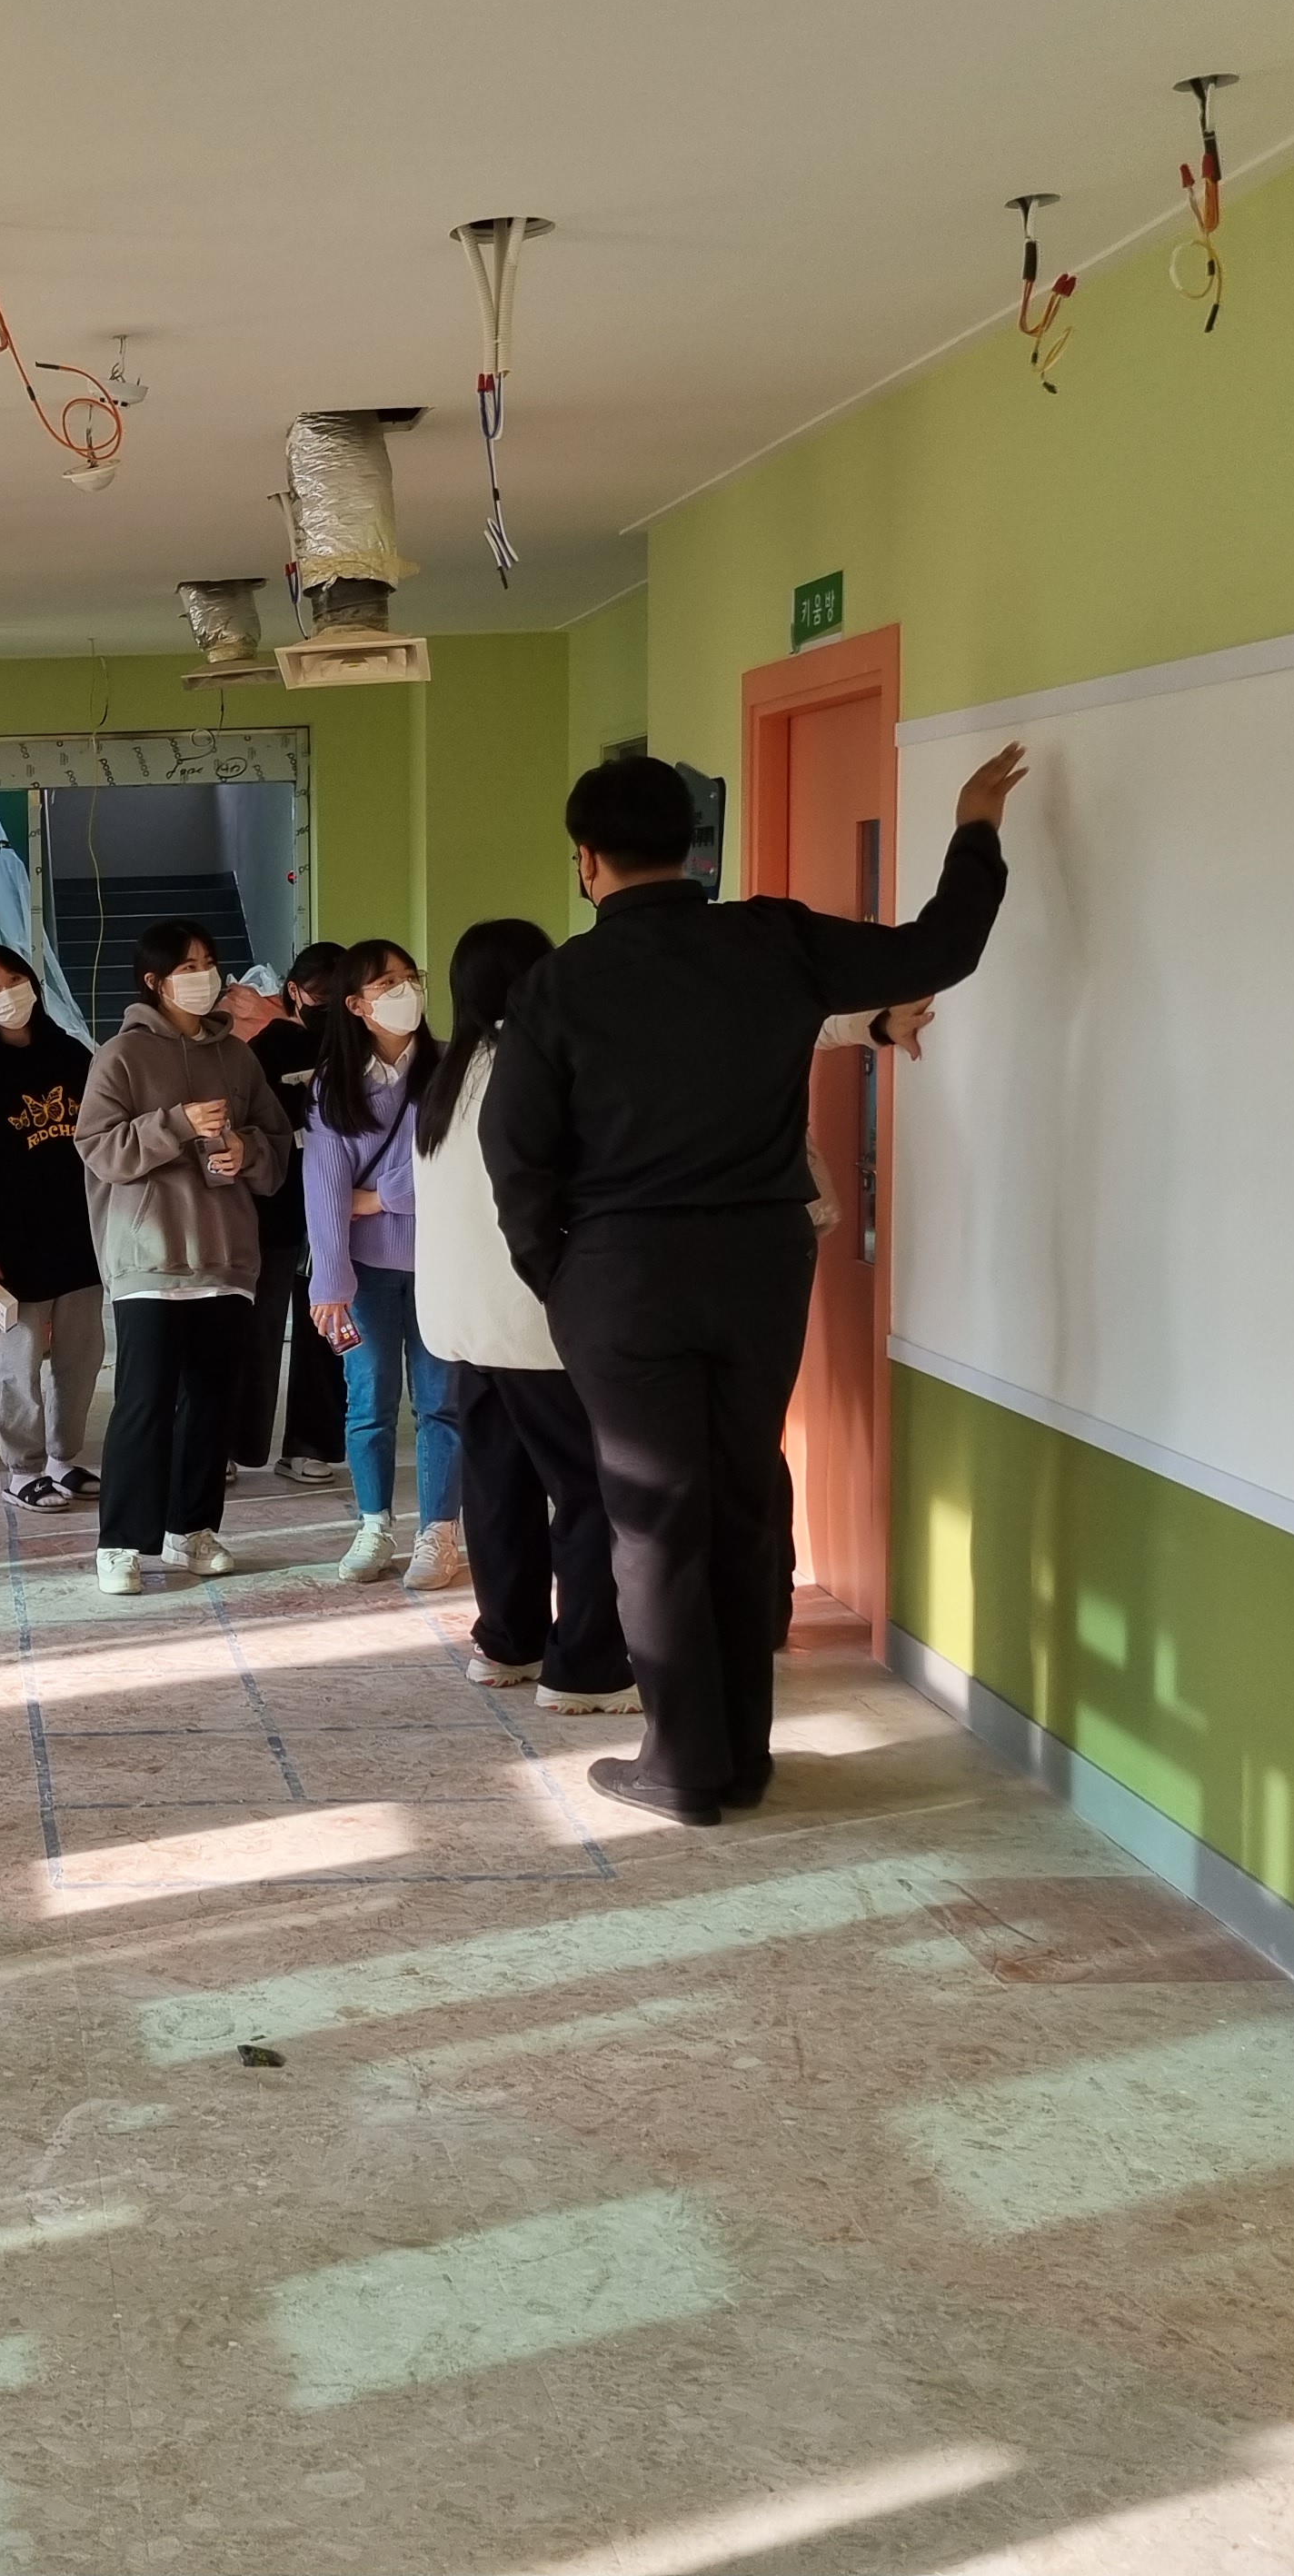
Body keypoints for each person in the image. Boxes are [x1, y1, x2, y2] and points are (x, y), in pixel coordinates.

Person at [483, 744, 1026, 1825]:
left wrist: (563, 1278)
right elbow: (942, 948)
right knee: (739, 1495)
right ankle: (742, 1757)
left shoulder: (558, 985)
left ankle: (682, 1767)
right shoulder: (773, 939)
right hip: (759, 1263)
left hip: (621, 1275)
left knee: (654, 1517)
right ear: (692, 846)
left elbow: (518, 1156)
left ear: (587, 860)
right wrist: (975, 828)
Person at [411, 917, 634, 1704]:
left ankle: (508, 1644)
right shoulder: (538, 1067)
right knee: (587, 1491)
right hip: (532, 1322)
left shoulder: (450, 1077)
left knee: (497, 1487)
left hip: (464, 1324)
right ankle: (587, 1666)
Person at [75, 919, 293, 1595]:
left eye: (209, 963)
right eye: (188, 967)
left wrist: (246, 1151)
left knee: (211, 1404)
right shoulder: (120, 1056)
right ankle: (120, 1542)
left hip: (226, 1259)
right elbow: (99, 1149)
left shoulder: (239, 1057)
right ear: (155, 981)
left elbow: (276, 1143)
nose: (205, 977)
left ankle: (192, 1528)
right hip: (150, 1259)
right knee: (144, 1402)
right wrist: (176, 1123)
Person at [303, 938, 462, 1587]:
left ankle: (438, 1532)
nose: (406, 991)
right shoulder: (334, 1082)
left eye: (410, 977)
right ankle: (374, 1525)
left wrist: (379, 1196)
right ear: (356, 1004)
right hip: (364, 1272)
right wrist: (330, 1280)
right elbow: (324, 1189)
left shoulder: (451, 1067)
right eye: (387, 983)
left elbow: (456, 1170)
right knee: (369, 1403)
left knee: (441, 1403)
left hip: (443, 1264)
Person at [0, 943, 103, 1514]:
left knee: (81, 1358)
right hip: (11, 1251)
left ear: (32, 983)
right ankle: (22, 1468)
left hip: (78, 1241)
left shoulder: (72, 1056)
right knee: (20, 1364)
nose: (5, 995)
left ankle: (63, 1458)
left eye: (13, 980)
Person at [226, 941, 353, 1490]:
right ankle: (231, 1445)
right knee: (254, 1331)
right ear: (295, 992)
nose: (332, 1007)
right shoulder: (265, 1048)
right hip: (273, 1210)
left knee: (327, 1330)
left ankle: (311, 1442)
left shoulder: (354, 1047)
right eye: (322, 996)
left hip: (339, 1210)